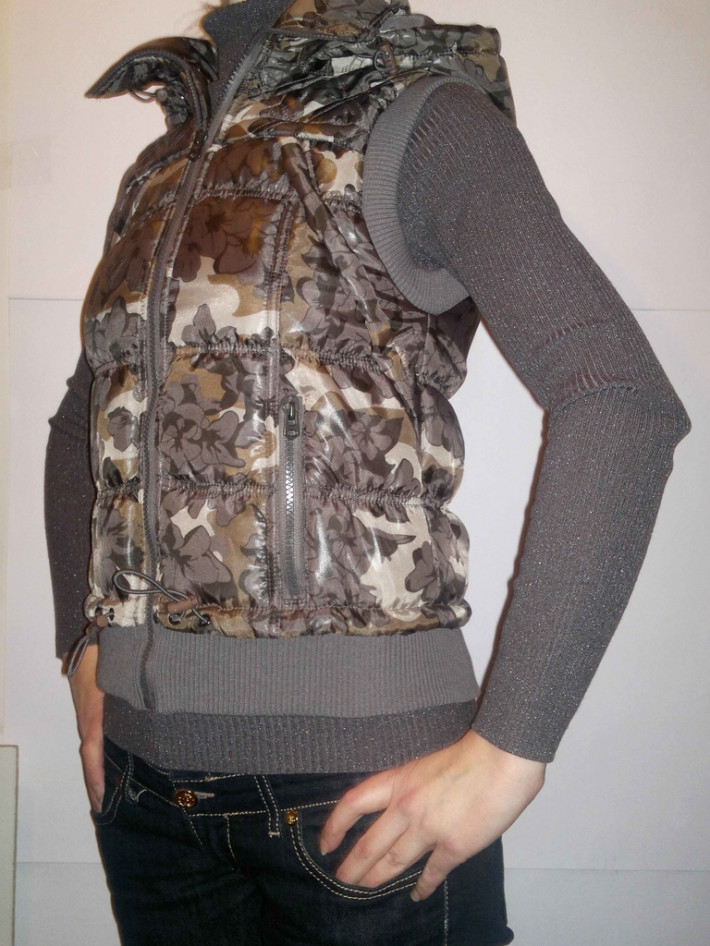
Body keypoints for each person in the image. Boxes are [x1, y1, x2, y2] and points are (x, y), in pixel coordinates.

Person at [45, 1, 690, 943]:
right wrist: (82, 646)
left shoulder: (422, 117)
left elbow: (620, 398)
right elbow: (83, 419)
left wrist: (511, 749)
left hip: (363, 793)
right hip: (147, 796)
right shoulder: (160, 166)